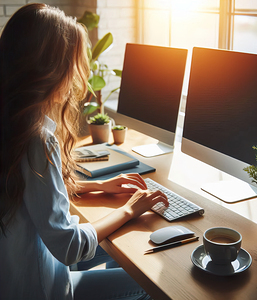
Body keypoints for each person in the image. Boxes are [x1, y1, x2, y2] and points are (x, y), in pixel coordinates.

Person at [0, 3, 168, 300]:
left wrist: (96, 186)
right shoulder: (37, 139)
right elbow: (70, 247)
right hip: (40, 289)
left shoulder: (11, 125)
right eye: (71, 66)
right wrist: (129, 209)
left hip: (17, 277)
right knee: (149, 279)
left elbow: (30, 194)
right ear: (50, 71)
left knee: (122, 252)